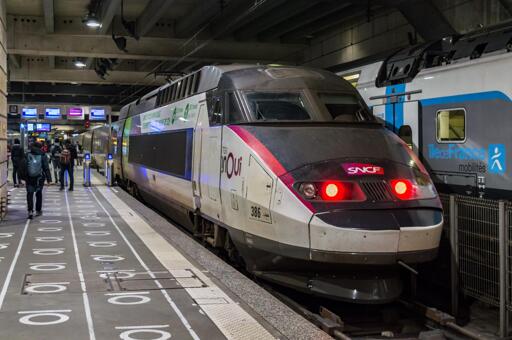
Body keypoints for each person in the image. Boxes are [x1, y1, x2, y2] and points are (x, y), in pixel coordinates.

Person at [21, 142, 52, 219]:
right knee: (39, 194)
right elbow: (46, 168)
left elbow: (23, 167)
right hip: (39, 178)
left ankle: (30, 211)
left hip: (29, 178)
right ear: (40, 147)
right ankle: (38, 210)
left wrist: (22, 178)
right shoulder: (43, 155)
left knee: (30, 194)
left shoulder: (27, 155)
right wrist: (49, 179)